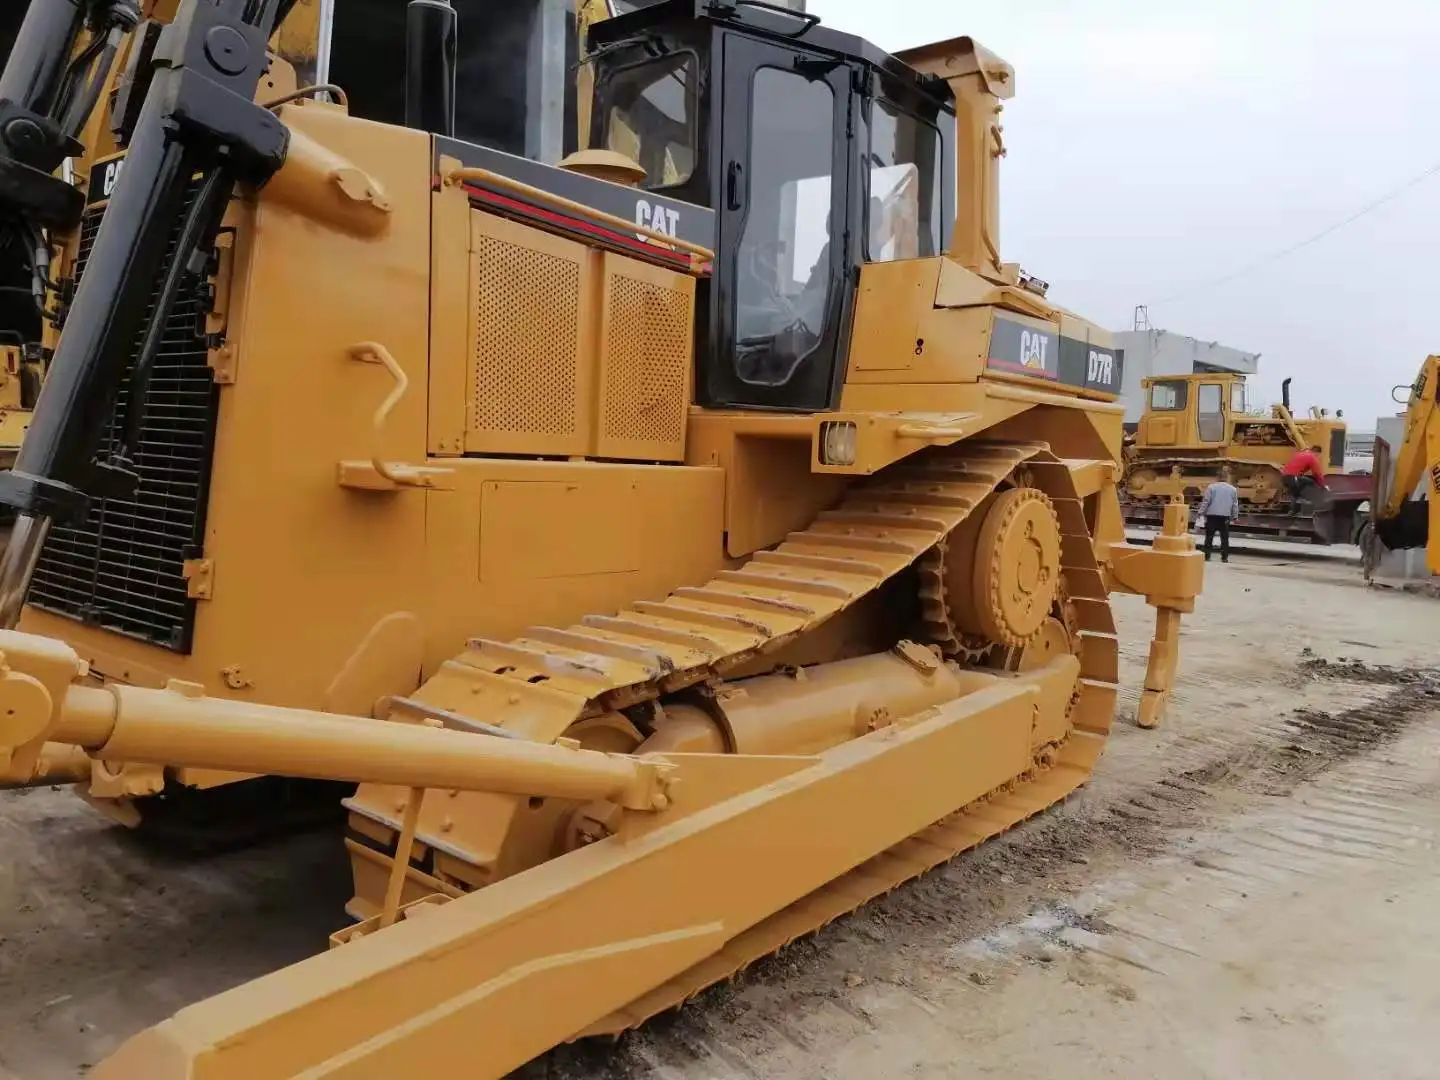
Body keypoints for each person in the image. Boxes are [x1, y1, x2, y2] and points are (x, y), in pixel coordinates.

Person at [1195, 470, 1240, 563]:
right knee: (1224, 538)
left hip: (1212, 516)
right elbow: (1235, 504)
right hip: (1225, 517)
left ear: (1217, 477)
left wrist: (1201, 512)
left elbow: (1206, 501)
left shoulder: (1211, 487)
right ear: (1227, 478)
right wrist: (1235, 516)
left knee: (1209, 537)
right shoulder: (1232, 489)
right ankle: (1224, 557)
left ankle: (1207, 556)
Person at [1281, 444, 1328, 515]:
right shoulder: (1312, 457)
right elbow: (1317, 474)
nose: (1318, 456)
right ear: (1317, 452)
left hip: (1285, 477)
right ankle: (1315, 505)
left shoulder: (1300, 454)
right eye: (1318, 455)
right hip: (1293, 477)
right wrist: (1323, 486)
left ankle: (1292, 511)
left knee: (1295, 492)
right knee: (1312, 482)